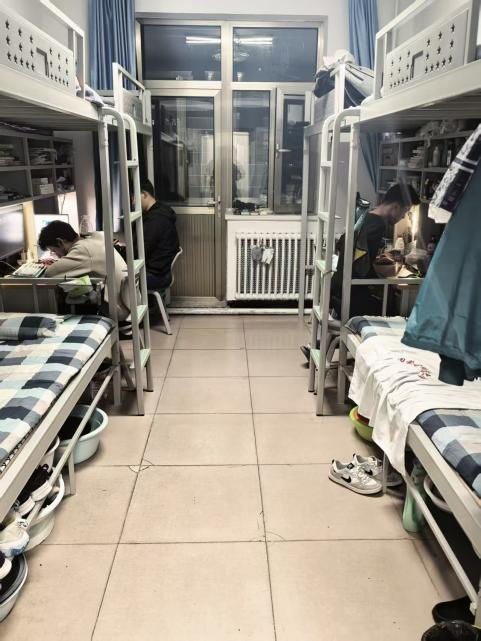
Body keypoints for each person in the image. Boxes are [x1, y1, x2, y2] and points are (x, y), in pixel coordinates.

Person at [301, 182, 420, 360]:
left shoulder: (366, 215)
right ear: (396, 207)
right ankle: (380, 356)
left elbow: (359, 255)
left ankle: (320, 345)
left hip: (338, 288)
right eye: (404, 212)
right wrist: (394, 268)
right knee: (395, 311)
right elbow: (364, 268)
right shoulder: (377, 225)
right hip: (352, 295)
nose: (403, 217)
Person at [38, 221, 130, 320]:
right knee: (79, 286)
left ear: (60, 242)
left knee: (66, 291)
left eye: (54, 251)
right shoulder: (91, 241)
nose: (56, 255)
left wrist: (54, 265)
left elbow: (49, 274)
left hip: (120, 311)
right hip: (128, 302)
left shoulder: (82, 250)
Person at [139, 179, 180, 291]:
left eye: (133, 197)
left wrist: (121, 249)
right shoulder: (161, 211)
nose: (132, 202)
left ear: (144, 194)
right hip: (162, 272)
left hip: (156, 276)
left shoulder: (155, 220)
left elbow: (141, 251)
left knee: (117, 278)